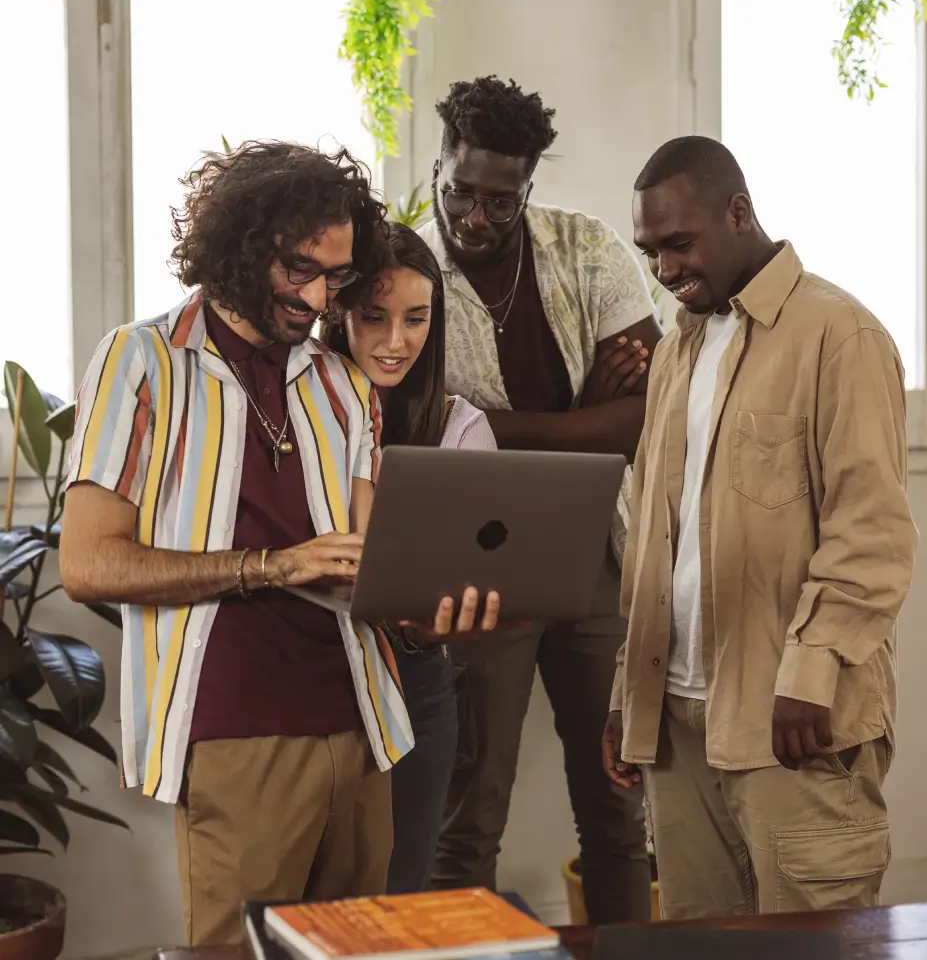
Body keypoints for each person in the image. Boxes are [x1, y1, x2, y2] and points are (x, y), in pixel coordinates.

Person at [58, 141, 499, 947]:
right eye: (302, 270)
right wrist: (272, 566)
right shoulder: (141, 362)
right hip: (238, 732)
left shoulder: (342, 383)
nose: (320, 295)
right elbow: (88, 565)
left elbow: (374, 566)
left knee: (359, 951)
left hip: (368, 725)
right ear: (243, 247)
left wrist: (436, 614)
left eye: (336, 275)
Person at [603, 135, 918, 918]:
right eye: (651, 252)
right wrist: (627, 692)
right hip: (676, 728)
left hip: (794, 726)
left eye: (680, 244)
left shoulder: (840, 336)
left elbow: (871, 533)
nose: (665, 270)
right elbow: (653, 538)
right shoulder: (678, 348)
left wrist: (812, 670)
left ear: (739, 212)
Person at [417, 75, 662, 924]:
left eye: (501, 201)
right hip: (478, 565)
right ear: (437, 166)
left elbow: (643, 421)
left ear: (530, 187)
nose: (475, 218)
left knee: (617, 801)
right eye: (460, 192)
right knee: (469, 812)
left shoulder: (586, 248)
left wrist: (493, 424)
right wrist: (579, 413)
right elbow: (414, 436)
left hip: (596, 552)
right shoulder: (405, 279)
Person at [323, 221, 497, 894]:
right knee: (313, 899)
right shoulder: (300, 411)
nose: (396, 342)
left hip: (416, 676)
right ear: (339, 316)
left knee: (401, 891)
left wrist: (441, 621)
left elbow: (472, 570)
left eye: (417, 319)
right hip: (312, 668)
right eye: (374, 317)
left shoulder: (459, 428)